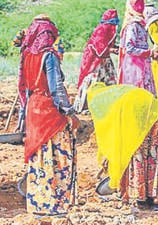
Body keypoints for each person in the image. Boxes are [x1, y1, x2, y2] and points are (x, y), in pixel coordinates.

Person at [17, 14, 80, 216]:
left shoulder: (27, 54)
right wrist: (70, 113)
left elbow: (25, 88)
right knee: (57, 156)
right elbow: (56, 88)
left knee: (40, 156)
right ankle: (56, 203)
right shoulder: (49, 55)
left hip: (34, 109)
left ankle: (38, 203)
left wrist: (24, 117)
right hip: (49, 111)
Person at [118, 0, 158, 210]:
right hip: (139, 93)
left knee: (140, 143)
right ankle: (144, 193)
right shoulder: (133, 27)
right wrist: (150, 53)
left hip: (137, 91)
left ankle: (140, 192)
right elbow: (130, 48)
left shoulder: (134, 26)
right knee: (146, 143)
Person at [74, 9, 119, 113]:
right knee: (93, 81)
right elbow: (98, 47)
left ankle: (106, 105)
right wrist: (111, 50)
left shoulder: (109, 29)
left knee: (108, 80)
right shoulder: (102, 30)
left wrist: (116, 48)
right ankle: (85, 106)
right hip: (95, 60)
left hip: (104, 59)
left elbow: (108, 44)